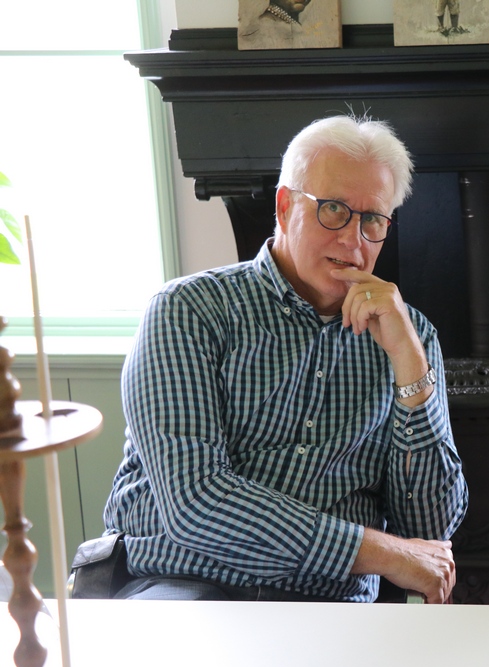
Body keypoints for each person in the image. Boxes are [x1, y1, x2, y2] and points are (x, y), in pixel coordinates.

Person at [102, 114, 469, 604]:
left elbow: (428, 530)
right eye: (333, 209)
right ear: (284, 206)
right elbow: (195, 504)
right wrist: (380, 553)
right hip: (182, 585)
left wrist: (410, 365)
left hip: (328, 603)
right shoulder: (188, 311)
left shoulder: (410, 334)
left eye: (372, 220)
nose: (353, 240)